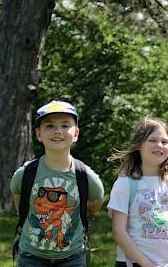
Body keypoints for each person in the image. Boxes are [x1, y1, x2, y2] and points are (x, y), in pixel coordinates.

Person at [10, 99, 105, 267]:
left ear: (76, 133)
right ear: (38, 134)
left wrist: (78, 216)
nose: (58, 131)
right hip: (30, 257)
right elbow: (19, 197)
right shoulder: (26, 174)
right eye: (50, 126)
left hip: (72, 258)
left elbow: (97, 199)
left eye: (65, 125)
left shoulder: (84, 175)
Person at [107, 117, 168, 267]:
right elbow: (118, 231)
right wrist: (146, 264)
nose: (159, 145)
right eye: (152, 140)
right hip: (133, 263)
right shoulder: (125, 183)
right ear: (138, 145)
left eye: (164, 142)